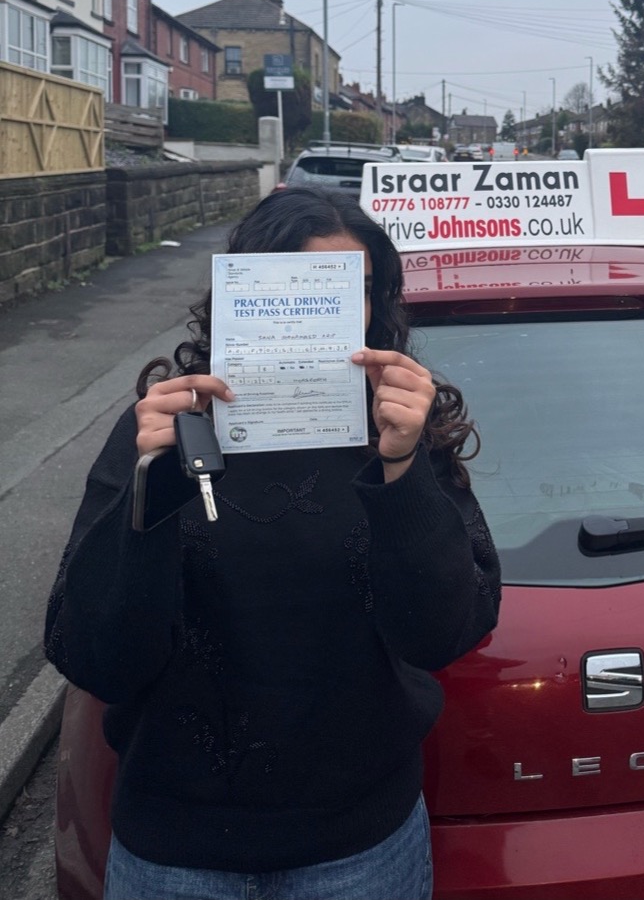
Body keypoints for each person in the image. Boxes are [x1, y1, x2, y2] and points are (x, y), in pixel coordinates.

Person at [45, 187, 501, 900]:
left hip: (360, 845)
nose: (321, 318)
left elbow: (443, 631)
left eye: (352, 292)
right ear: (240, 293)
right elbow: (94, 654)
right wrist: (154, 482)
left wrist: (403, 469)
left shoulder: (400, 432)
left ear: (374, 305)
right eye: (294, 290)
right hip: (177, 851)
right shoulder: (171, 427)